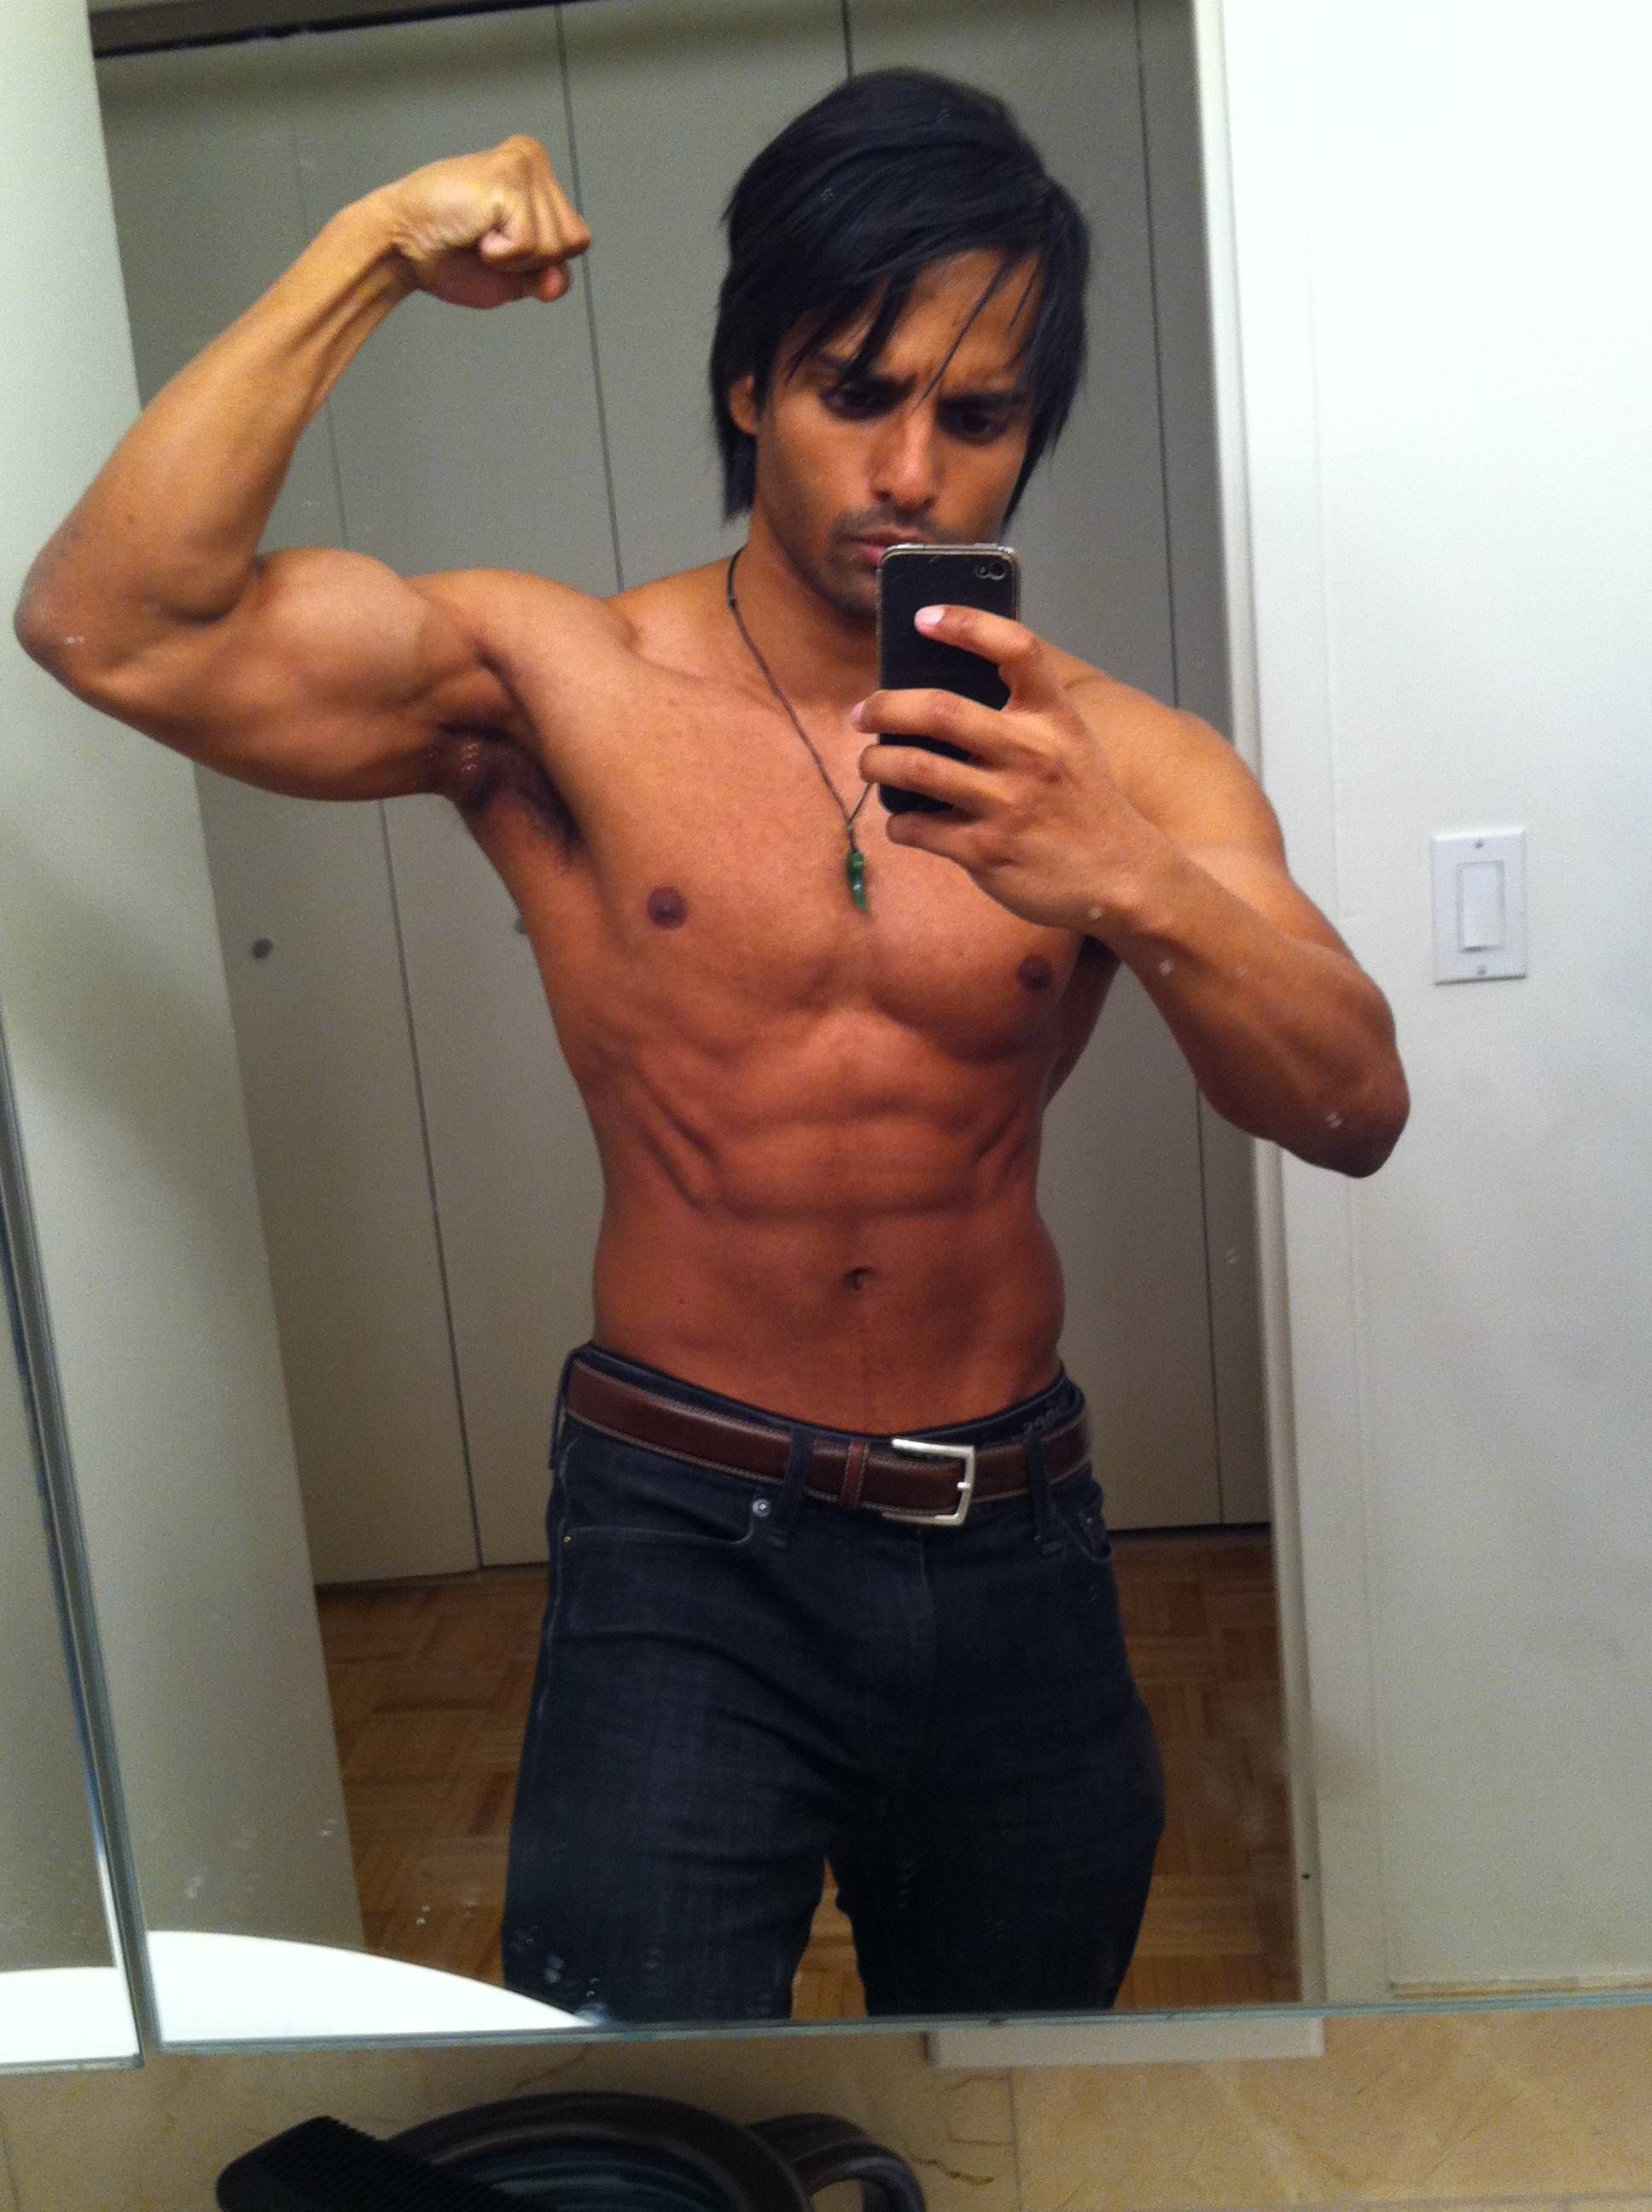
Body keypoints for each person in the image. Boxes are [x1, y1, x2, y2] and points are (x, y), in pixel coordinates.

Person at [15, 67, 1408, 2025]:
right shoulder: (555, 681)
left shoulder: (1121, 766)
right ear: (750, 382)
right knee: (641, 2107)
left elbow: (1350, 1108)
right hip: (684, 1531)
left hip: (1008, 1534)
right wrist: (369, 253)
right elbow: (109, 625)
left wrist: (1124, 877)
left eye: (977, 417)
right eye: (855, 390)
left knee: (1013, 2107)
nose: (910, 470)